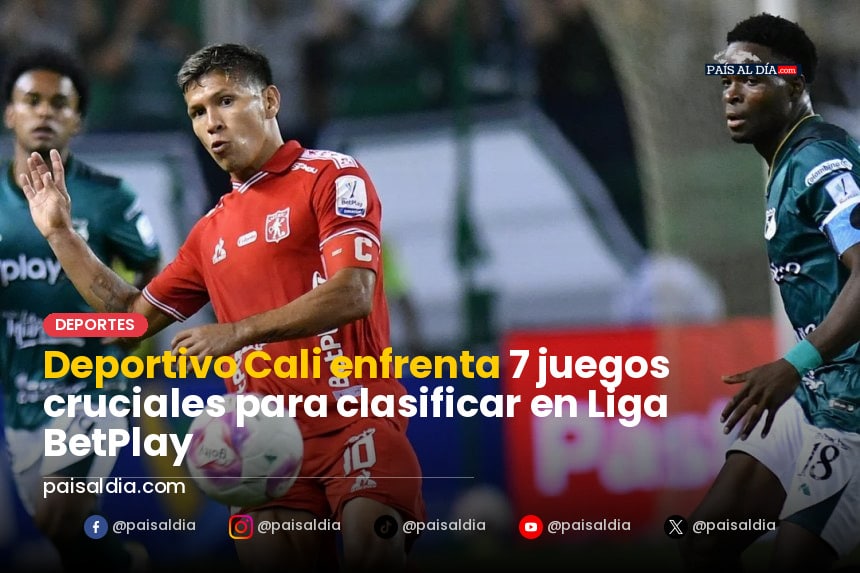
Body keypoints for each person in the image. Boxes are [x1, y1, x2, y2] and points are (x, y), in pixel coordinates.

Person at [20, 43, 424, 571]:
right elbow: (130, 321)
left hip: (357, 420)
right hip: (264, 441)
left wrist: (236, 333)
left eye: (226, 101)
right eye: (198, 111)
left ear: (271, 101)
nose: (212, 122)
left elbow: (352, 293)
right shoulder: (210, 231)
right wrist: (60, 234)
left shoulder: (331, 177)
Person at [681, 13, 860, 571]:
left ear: (795, 86)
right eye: (726, 80)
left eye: (753, 78)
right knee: (708, 539)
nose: (732, 93)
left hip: (854, 405)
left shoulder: (819, 162)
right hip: (816, 395)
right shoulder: (786, 161)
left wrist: (794, 363)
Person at [0, 48, 161, 572]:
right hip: (22, 393)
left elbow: (152, 267)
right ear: (10, 113)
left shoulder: (110, 198)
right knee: (69, 541)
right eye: (32, 100)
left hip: (92, 384)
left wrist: (127, 326)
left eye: (59, 104)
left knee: (60, 517)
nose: (45, 112)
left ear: (78, 120)